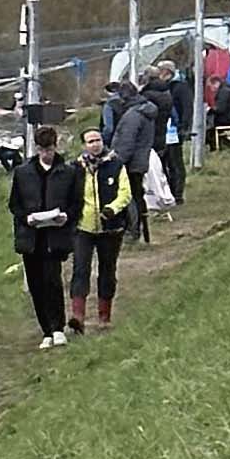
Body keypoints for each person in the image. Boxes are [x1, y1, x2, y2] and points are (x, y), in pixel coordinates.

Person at [7, 125, 85, 348]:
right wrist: (26, 218)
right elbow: (15, 204)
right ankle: (46, 330)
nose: (46, 154)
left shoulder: (68, 172)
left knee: (52, 281)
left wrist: (66, 217)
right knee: (35, 284)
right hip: (30, 238)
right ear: (36, 148)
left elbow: (76, 203)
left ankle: (58, 327)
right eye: (42, 150)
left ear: (55, 146)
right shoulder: (23, 173)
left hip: (55, 236)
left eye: (49, 149)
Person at [68, 125, 137, 333]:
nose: (95, 144)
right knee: (80, 270)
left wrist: (112, 209)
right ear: (84, 145)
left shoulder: (116, 165)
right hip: (83, 227)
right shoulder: (76, 168)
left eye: (97, 140)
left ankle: (104, 316)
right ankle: (77, 317)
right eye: (90, 141)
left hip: (111, 228)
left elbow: (125, 193)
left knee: (107, 271)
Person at [108, 79, 157, 239]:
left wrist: (117, 161)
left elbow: (126, 142)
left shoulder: (132, 116)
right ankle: (143, 232)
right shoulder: (145, 111)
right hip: (141, 159)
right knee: (138, 195)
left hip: (130, 162)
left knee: (128, 197)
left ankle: (132, 231)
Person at [141, 60, 184, 204]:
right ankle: (172, 193)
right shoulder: (166, 93)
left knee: (154, 168)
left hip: (151, 135)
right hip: (166, 132)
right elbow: (174, 114)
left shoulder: (146, 96)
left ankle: (158, 197)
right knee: (169, 165)